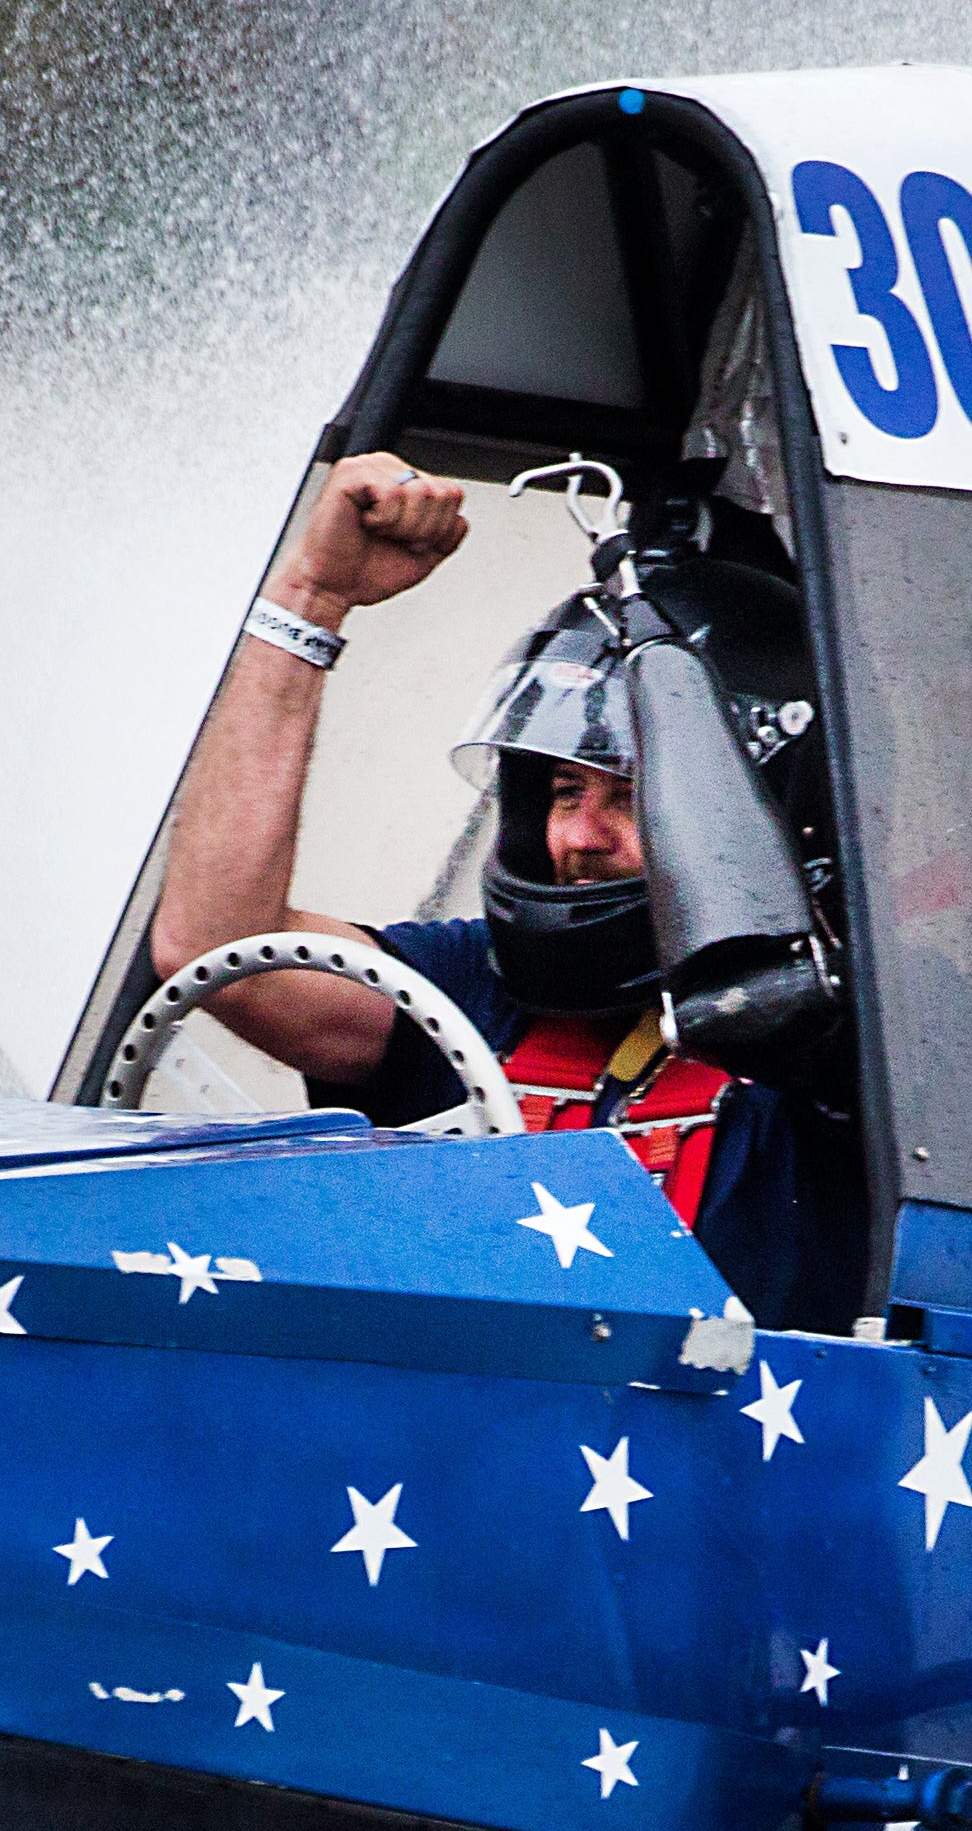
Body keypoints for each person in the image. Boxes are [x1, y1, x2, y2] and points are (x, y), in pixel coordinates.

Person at [149, 451, 869, 1334]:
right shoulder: (476, 987)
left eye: (631, 793)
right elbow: (215, 947)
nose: (574, 837)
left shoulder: (861, 1050)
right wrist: (310, 596)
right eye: (564, 793)